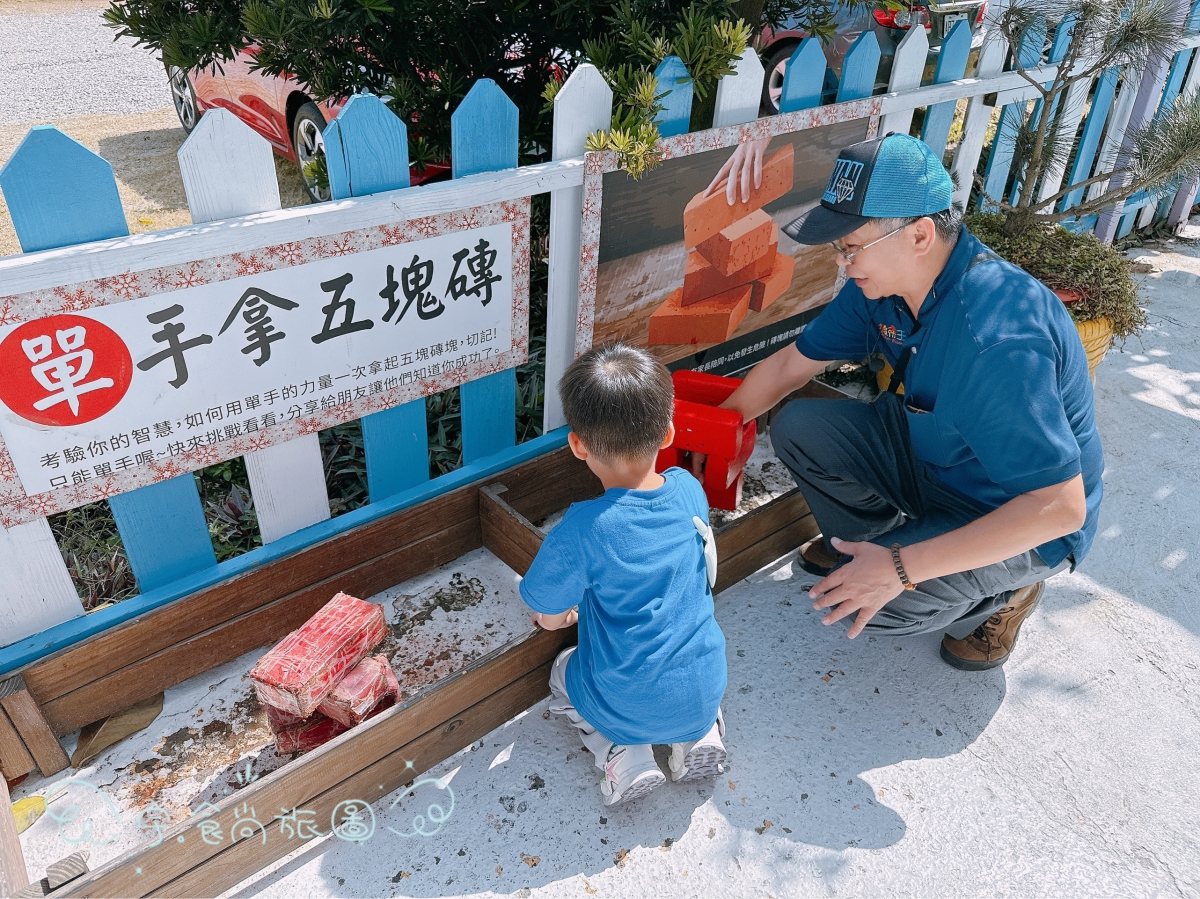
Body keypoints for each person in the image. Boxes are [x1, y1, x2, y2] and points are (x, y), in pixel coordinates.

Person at [707, 131, 1103, 671]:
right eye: (837, 249)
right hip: (934, 450)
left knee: (870, 611)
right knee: (800, 424)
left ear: (918, 234)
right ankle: (879, 547)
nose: (843, 264)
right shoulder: (880, 285)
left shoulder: (995, 338)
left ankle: (1001, 599)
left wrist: (899, 569)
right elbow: (785, 368)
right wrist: (710, 438)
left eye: (850, 247)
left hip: (1014, 512)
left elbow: (1059, 507)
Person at [519, 343, 728, 805]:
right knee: (683, 676)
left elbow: (544, 607)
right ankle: (700, 734)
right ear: (668, 432)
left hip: (627, 699)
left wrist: (556, 621)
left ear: (577, 444)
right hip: (703, 686)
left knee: (563, 673)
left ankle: (621, 753)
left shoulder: (582, 528)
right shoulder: (688, 489)